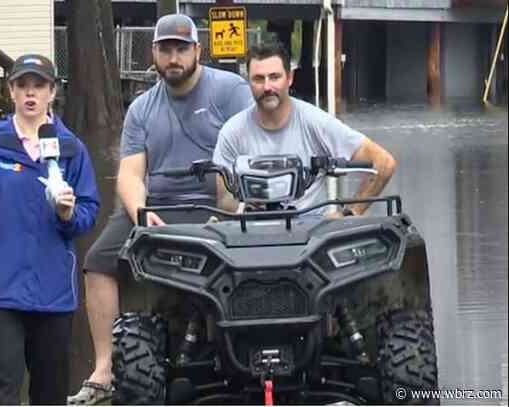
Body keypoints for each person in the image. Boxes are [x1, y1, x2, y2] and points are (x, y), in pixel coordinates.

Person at [68, 14, 254, 405]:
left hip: (215, 205)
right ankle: (104, 369)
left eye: (181, 48)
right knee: (98, 260)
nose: (174, 57)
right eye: (165, 49)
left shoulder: (231, 91)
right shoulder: (141, 108)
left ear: (197, 51)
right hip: (158, 206)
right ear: (153, 53)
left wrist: (238, 205)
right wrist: (138, 212)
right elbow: (130, 174)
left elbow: (255, 150)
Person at [0, 54, 100, 405]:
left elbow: (89, 211)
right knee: (3, 388)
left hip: (52, 292)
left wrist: (66, 214)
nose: (31, 94)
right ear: (11, 91)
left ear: (52, 92)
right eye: (23, 86)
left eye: (39, 86)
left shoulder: (71, 148)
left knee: (50, 392)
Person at [212, 40, 397, 215]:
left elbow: (383, 162)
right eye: (258, 79)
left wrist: (349, 213)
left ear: (290, 78)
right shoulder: (232, 132)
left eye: (274, 77)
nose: (267, 86)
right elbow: (223, 199)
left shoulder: (316, 123)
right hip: (252, 232)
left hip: (311, 233)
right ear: (248, 81)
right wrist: (246, 206)